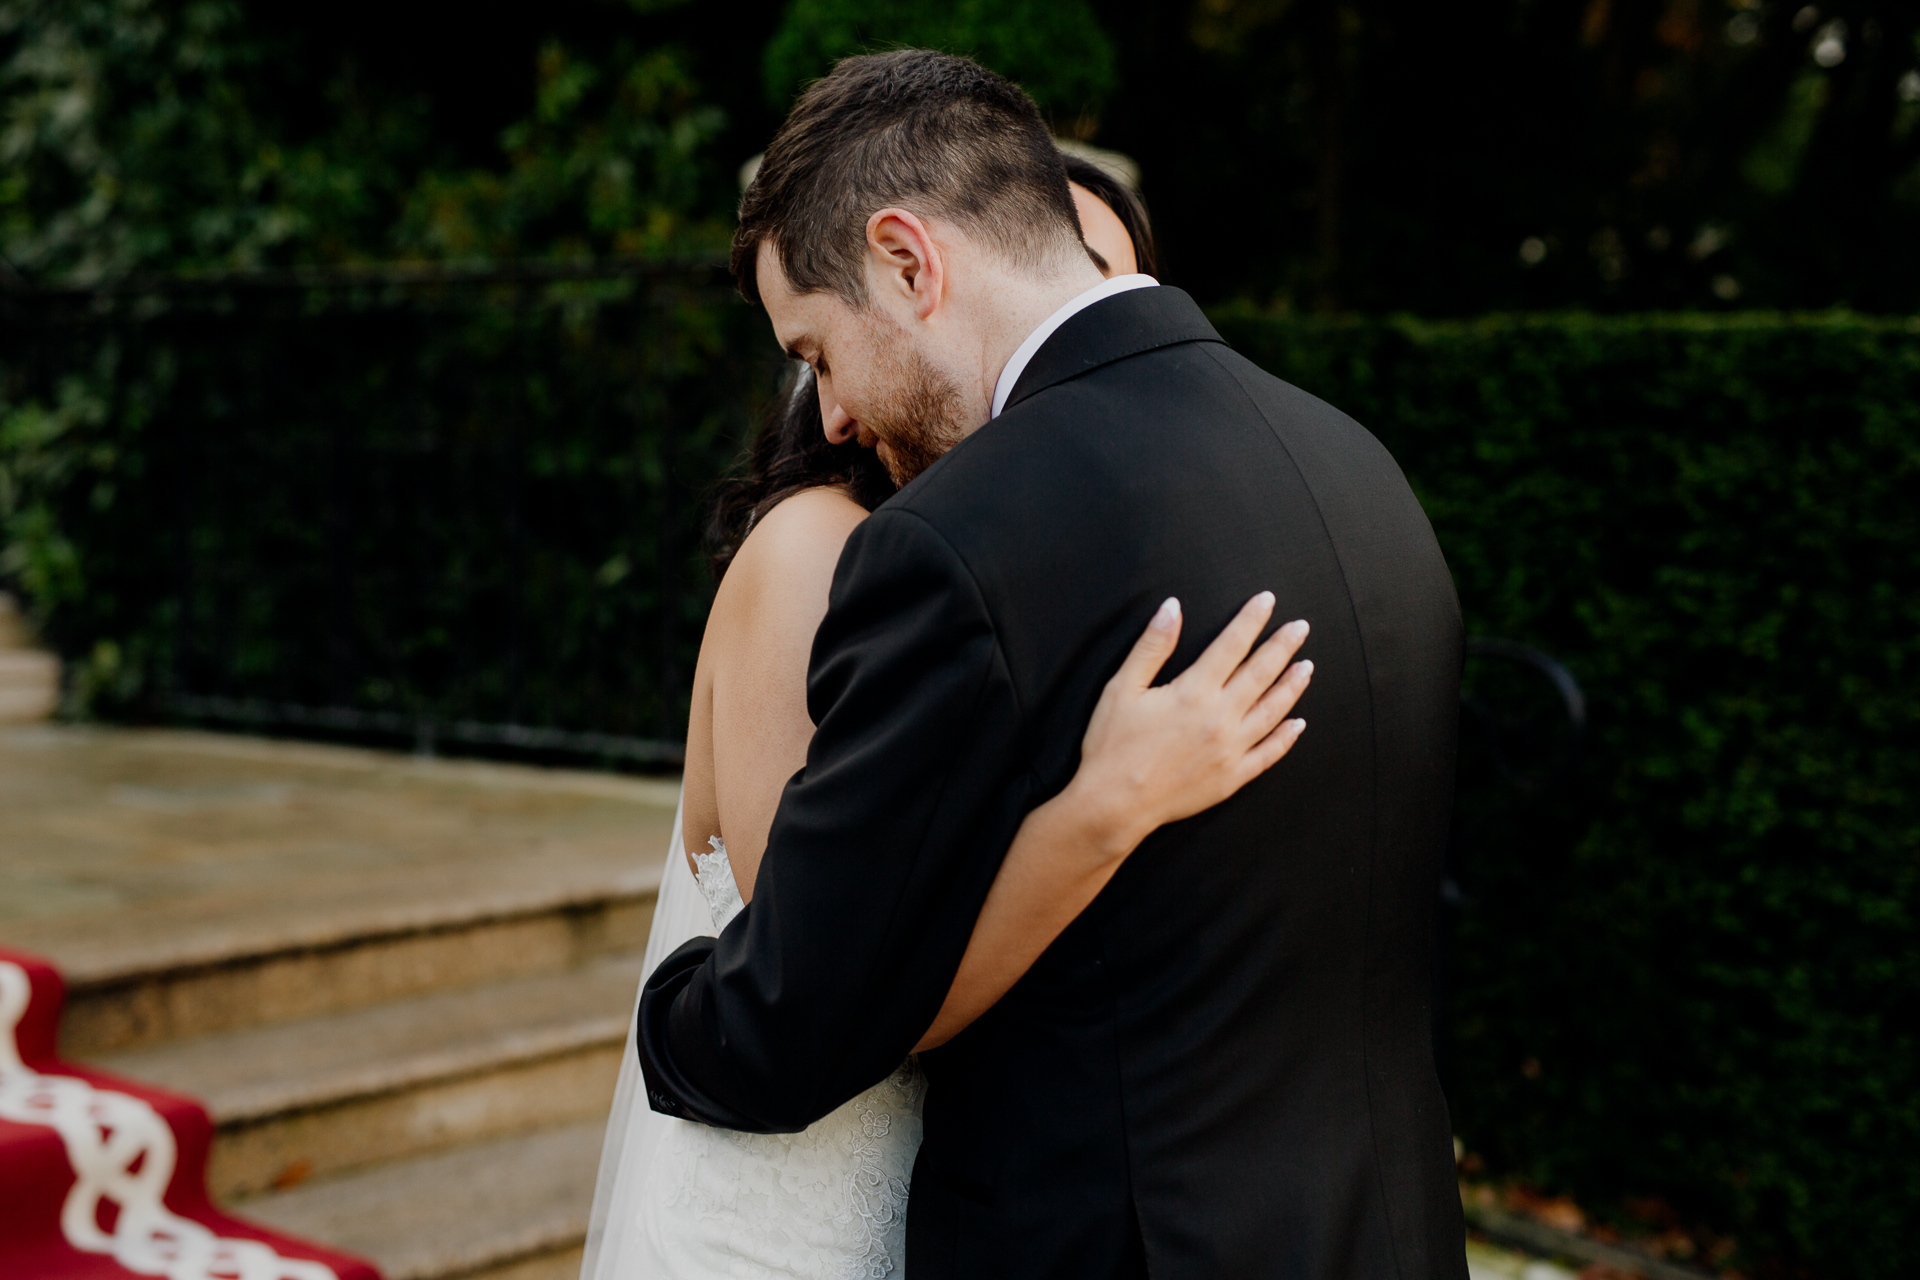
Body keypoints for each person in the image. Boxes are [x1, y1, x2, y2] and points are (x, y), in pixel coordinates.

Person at [638, 49, 1467, 1279]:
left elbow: (785, 1025)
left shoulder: (957, 544)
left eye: (818, 350)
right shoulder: (1356, 467)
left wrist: (668, 1001)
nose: (840, 415)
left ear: (910, 262)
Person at [581, 166, 1312, 1276]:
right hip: (784, 1213)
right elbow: (832, 993)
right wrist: (1107, 804)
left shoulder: (1046, 557)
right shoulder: (811, 551)